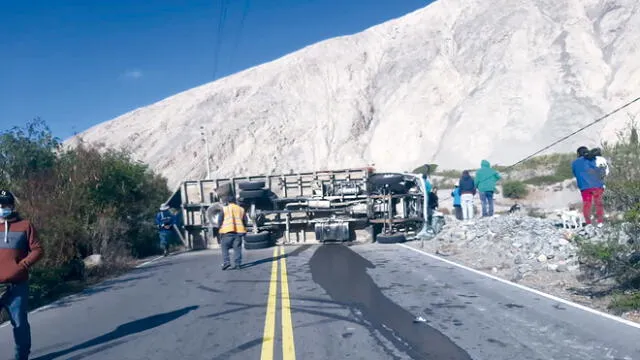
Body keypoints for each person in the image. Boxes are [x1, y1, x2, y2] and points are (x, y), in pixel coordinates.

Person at [0, 189, 44, 360]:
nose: (3, 207)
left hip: (17, 286)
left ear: (12, 205)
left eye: (7, 204)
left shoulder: (25, 226)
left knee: (19, 325)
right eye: (1, 204)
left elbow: (38, 249)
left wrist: (23, 264)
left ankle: (22, 357)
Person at [572, 146, 606, 227]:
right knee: (598, 204)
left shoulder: (574, 163)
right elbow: (601, 170)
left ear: (578, 154)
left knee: (587, 205)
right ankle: (600, 222)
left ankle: (588, 223)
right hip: (597, 185)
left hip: (584, 187)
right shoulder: (593, 159)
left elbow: (575, 174)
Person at [215, 194, 250, 270]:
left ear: (228, 202)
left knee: (224, 247)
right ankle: (237, 264)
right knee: (237, 248)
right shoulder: (241, 209)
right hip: (238, 233)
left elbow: (220, 220)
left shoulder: (225, 209)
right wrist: (243, 227)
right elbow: (245, 221)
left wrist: (219, 228)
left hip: (227, 232)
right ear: (235, 201)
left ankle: (226, 262)